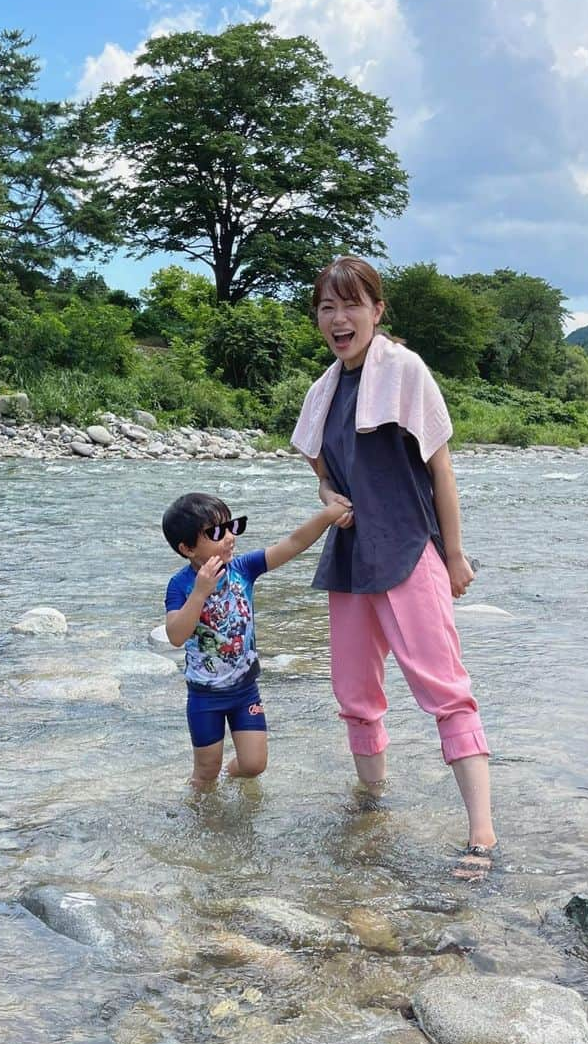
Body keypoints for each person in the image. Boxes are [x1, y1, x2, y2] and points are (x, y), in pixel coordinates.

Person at [291, 255, 497, 879]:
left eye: (350, 304)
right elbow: (323, 476)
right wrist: (330, 503)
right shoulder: (323, 391)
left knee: (446, 692)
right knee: (355, 696)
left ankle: (482, 835)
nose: (337, 318)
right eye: (327, 307)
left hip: (410, 551)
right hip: (351, 560)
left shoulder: (404, 370)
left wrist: (455, 555)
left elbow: (440, 467)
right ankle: (372, 808)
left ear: (377, 311)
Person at [162, 491, 350, 790]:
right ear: (187, 548)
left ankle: (229, 776)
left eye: (231, 527)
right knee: (205, 771)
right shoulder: (181, 585)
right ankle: (201, 812)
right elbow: (175, 635)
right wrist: (200, 592)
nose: (229, 537)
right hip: (205, 696)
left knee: (253, 765)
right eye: (216, 532)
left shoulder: (243, 569)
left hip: (244, 690)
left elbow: (293, 543)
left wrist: (328, 516)